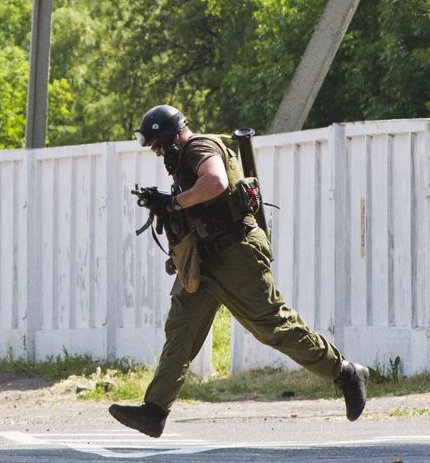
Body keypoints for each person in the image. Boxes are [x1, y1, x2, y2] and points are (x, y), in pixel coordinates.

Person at [109, 105, 368, 438]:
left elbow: (215, 182)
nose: (158, 153)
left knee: (273, 325)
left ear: (175, 135)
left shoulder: (198, 147)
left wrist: (174, 203)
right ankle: (155, 410)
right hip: (206, 259)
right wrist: (166, 199)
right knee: (182, 328)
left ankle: (345, 372)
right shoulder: (186, 155)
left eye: (159, 145)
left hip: (235, 254)